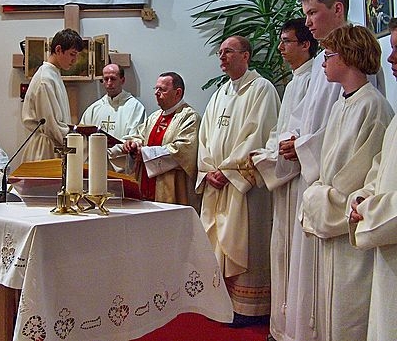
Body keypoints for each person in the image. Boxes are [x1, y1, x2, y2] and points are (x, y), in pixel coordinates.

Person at [278, 0, 384, 341]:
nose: (307, 22)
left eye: (313, 13)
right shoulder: (326, 65)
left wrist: (311, 161)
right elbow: (316, 120)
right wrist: (297, 143)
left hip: (338, 201)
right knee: (319, 291)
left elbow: (361, 144)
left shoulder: (354, 57)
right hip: (318, 187)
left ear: (337, 9)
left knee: (344, 303)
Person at [299, 25, 393, 341]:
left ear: (349, 56)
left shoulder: (373, 106)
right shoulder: (342, 104)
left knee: (350, 315)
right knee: (331, 313)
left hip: (351, 228)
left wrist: (319, 198)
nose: (323, 62)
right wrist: (319, 192)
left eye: (328, 55)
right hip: (334, 223)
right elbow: (328, 163)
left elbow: (361, 174)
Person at [197, 35, 280, 326]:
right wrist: (209, 169)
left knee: (245, 242)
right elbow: (204, 137)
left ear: (246, 56)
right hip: (218, 183)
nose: (222, 56)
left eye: (229, 51)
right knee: (216, 241)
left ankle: (248, 309)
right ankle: (222, 304)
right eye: (220, 52)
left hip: (243, 188)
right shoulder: (219, 93)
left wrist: (230, 171)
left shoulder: (262, 89)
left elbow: (259, 135)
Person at [250, 19, 317, 341]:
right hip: (285, 178)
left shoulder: (316, 79)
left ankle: (291, 328)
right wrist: (267, 153)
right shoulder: (293, 83)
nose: (280, 48)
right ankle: (280, 327)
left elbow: (306, 133)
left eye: (287, 41)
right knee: (281, 253)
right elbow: (281, 132)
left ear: (306, 44)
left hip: (300, 180)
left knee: (294, 256)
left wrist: (275, 156)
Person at [348, 18, 397, 341]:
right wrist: (363, 197)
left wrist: (370, 211)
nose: (390, 58)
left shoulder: (374, 105)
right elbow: (381, 166)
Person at [122, 72, 200, 205]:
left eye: (162, 89)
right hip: (145, 183)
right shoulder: (154, 116)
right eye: (156, 88)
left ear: (178, 93)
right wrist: (133, 145)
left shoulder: (190, 117)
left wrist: (144, 153)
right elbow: (140, 136)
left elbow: (182, 150)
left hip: (172, 189)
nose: (156, 93)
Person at [21, 28, 84, 162]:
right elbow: (51, 125)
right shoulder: (45, 79)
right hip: (46, 149)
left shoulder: (54, 74)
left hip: (55, 144)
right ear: (58, 49)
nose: (75, 60)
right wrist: (77, 144)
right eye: (72, 54)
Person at [79, 63, 145, 173]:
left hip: (121, 169)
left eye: (113, 79)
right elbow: (82, 136)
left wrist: (108, 152)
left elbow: (135, 138)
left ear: (122, 80)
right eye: (106, 79)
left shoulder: (135, 107)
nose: (109, 83)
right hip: (95, 166)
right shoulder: (94, 108)